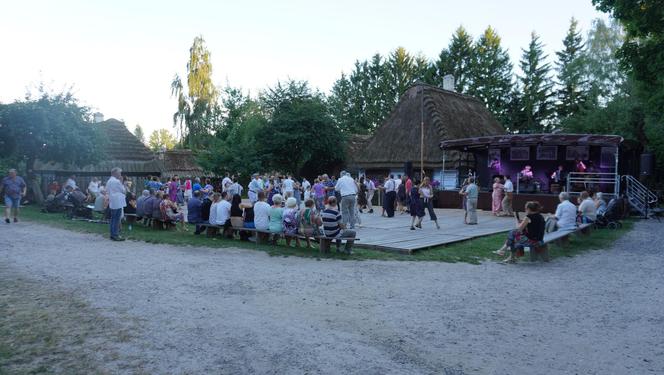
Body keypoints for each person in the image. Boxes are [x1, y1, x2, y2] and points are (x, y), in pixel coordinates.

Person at [106, 167, 126, 241]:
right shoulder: (117, 181)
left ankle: (112, 234)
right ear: (115, 173)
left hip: (112, 201)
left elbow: (107, 190)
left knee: (113, 218)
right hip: (118, 201)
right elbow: (123, 190)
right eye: (119, 173)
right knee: (117, 219)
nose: (120, 174)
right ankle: (115, 235)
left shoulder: (109, 181)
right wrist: (121, 182)